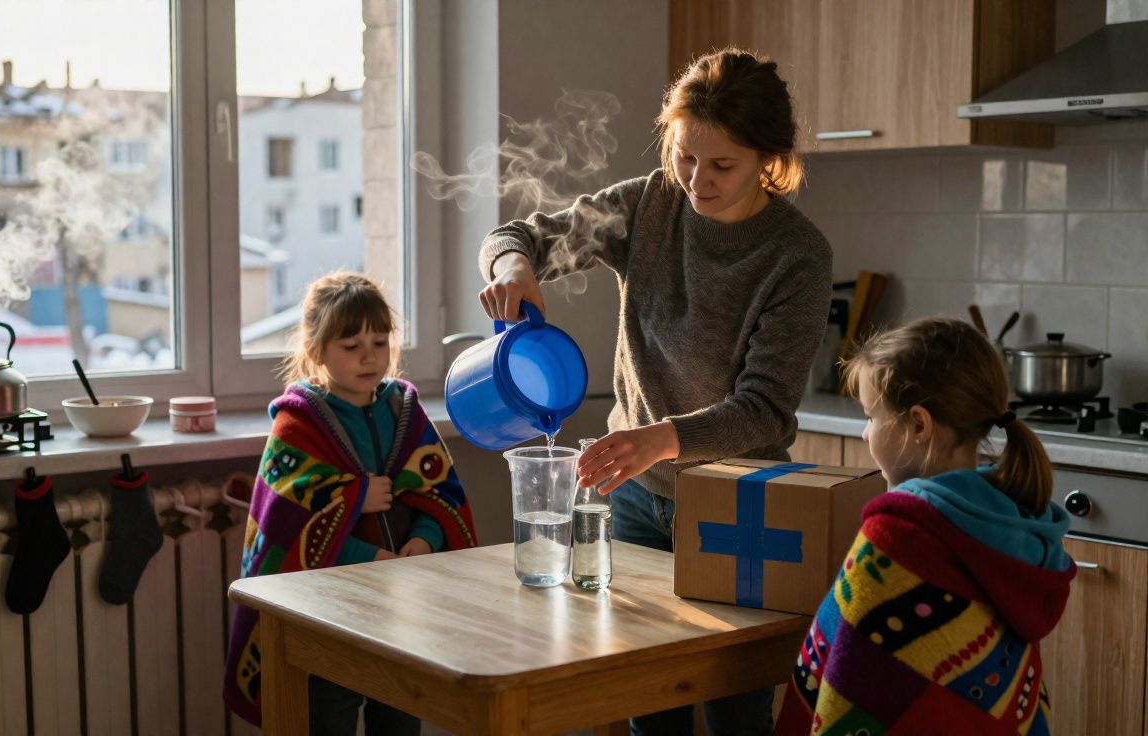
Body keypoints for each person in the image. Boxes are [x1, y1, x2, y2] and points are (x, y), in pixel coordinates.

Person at [479, 48, 831, 735]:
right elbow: (518, 234)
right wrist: (516, 265)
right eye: (684, 155)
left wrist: (660, 439)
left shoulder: (797, 254)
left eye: (721, 165)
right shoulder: (647, 203)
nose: (696, 180)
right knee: (651, 707)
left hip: (740, 506)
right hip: (637, 502)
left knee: (734, 709)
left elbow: (764, 408)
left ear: (768, 158)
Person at [775, 317, 1075, 735]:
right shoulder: (1011, 520)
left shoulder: (898, 537)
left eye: (871, 417)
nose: (865, 434)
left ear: (918, 424)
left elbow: (850, 675)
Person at [222, 271, 478, 732]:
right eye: (351, 345)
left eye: (379, 342)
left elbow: (439, 496)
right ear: (317, 349)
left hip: (403, 613)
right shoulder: (297, 425)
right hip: (329, 615)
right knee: (328, 716)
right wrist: (361, 519)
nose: (369, 356)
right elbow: (284, 526)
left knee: (400, 716)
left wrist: (421, 542)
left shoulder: (405, 410)